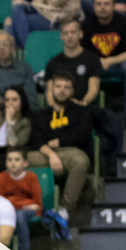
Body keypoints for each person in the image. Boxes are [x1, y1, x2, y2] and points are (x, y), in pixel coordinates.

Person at [27, 71, 94, 230]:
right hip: (45, 155)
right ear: (51, 90)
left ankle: (64, 209)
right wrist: (51, 154)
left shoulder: (82, 111)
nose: (62, 90)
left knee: (80, 161)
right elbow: (37, 141)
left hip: (71, 153)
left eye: (66, 87)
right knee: (16, 160)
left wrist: (56, 143)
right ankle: (24, 204)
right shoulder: (41, 115)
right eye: (58, 86)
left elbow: (81, 136)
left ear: (72, 91)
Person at [82, 0, 126, 124]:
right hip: (94, 66)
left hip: (118, 64)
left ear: (114, 6)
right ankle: (86, 117)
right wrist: (98, 61)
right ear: (94, 6)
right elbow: (81, 53)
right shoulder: (86, 24)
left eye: (106, 4)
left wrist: (109, 60)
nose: (102, 7)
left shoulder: (125, 22)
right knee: (79, 68)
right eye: (99, 4)